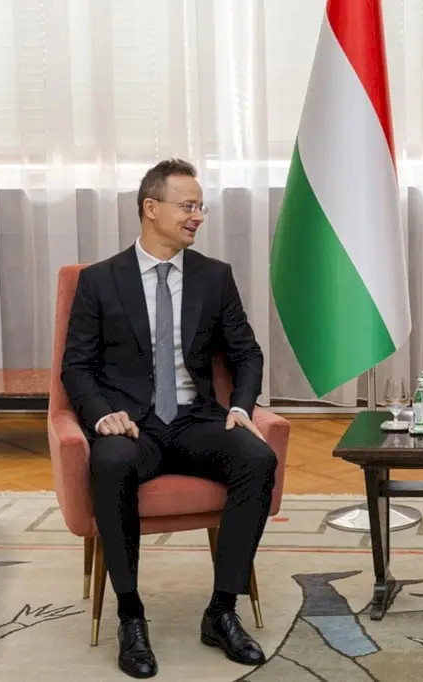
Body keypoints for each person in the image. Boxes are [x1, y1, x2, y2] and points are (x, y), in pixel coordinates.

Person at [61, 158, 277, 678]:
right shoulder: (99, 281)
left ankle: (221, 611)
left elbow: (246, 354)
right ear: (151, 208)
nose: (197, 216)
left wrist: (240, 407)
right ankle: (130, 615)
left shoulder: (213, 276)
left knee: (257, 459)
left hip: (195, 419)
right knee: (110, 462)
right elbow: (76, 367)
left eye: (201, 206)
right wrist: (102, 416)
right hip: (132, 425)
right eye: (187, 205)